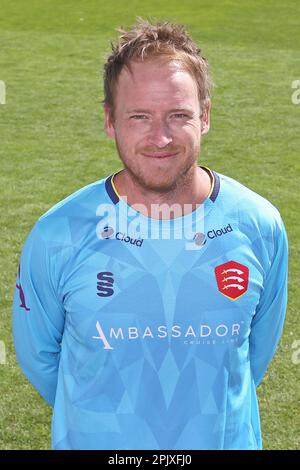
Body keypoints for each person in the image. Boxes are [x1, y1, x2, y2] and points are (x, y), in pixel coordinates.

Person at [13, 18, 288, 450]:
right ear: (109, 120)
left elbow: (253, 354)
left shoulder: (259, 224)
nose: (160, 137)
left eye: (178, 115)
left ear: (206, 117)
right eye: (139, 115)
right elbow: (41, 361)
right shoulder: (59, 234)